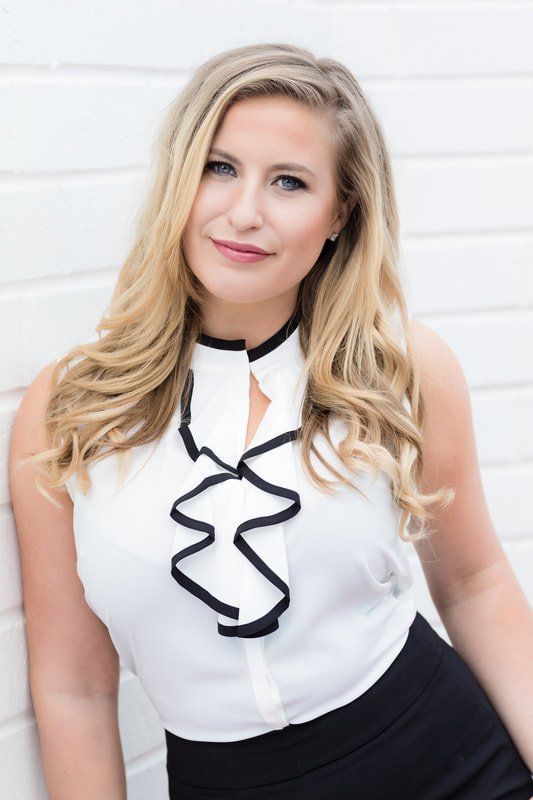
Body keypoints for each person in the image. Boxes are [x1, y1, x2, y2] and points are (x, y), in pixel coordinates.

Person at [9, 42, 533, 800]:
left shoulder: (400, 369)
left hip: (456, 769)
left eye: (289, 181)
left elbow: (475, 585)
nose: (244, 212)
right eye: (219, 167)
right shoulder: (72, 410)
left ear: (339, 212)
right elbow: (74, 689)